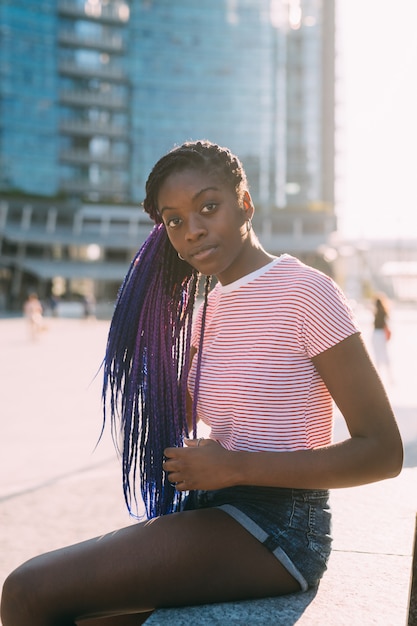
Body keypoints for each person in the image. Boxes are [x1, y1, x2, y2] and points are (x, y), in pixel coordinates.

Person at [1, 141, 403, 625]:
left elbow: (383, 451)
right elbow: (189, 412)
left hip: (280, 528)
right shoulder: (204, 310)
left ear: (245, 204)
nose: (192, 231)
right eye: (174, 220)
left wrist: (233, 467)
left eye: (208, 208)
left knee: (26, 591)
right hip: (213, 510)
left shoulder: (305, 291)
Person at [372, 294, 392, 382]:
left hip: (376, 334)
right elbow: (386, 325)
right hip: (381, 334)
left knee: (378, 355)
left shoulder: (376, 313)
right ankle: (390, 376)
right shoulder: (384, 312)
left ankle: (379, 376)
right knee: (384, 354)